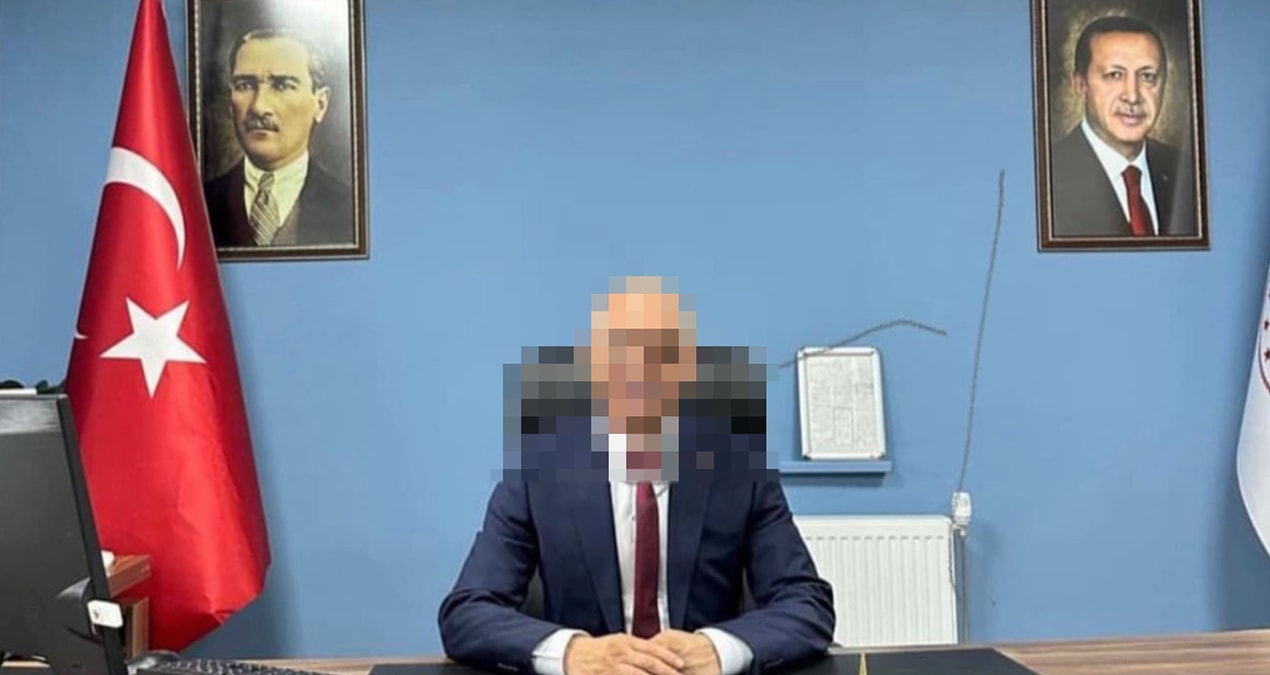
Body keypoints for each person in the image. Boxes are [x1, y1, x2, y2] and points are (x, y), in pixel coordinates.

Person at [438, 276, 835, 675]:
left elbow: (807, 603)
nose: (639, 374)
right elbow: (467, 612)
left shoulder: (740, 470)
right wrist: (573, 653)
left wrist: (717, 649)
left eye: (661, 356)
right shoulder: (537, 473)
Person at [203, 28, 354, 248]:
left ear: (320, 104)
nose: (258, 107)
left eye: (282, 86)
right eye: (245, 86)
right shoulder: (199, 203)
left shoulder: (350, 208)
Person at [1049, 15, 1196, 238]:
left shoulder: (1187, 174)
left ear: (1164, 84)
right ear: (1080, 85)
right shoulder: (1048, 179)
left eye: (1147, 76)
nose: (1132, 96)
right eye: (1114, 75)